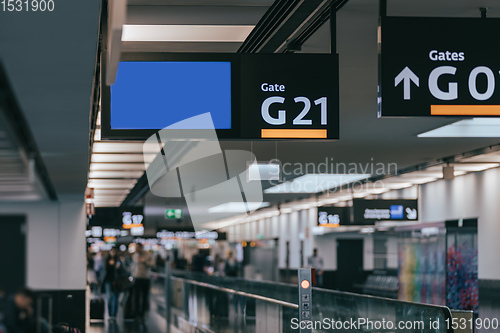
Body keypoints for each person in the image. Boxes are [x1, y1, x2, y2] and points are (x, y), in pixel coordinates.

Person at [101, 247, 126, 321]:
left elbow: (123, 271)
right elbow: (103, 271)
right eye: (112, 251)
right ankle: (110, 314)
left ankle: (114, 315)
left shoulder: (118, 261)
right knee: (109, 298)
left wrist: (118, 268)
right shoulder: (106, 260)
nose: (113, 253)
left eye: (115, 251)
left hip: (116, 282)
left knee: (115, 298)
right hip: (107, 281)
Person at [132, 243, 153, 321]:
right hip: (137, 277)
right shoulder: (134, 256)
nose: (136, 249)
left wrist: (145, 262)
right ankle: (136, 313)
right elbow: (133, 266)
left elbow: (152, 264)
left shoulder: (147, 255)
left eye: (138, 248)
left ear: (141, 248)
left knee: (144, 296)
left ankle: (143, 314)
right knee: (136, 296)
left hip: (145, 277)